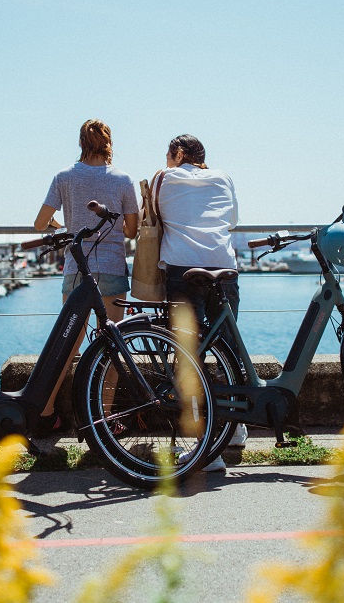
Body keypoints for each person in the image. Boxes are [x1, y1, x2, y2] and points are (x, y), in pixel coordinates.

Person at [32, 119, 138, 437]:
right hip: (112, 268)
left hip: (76, 269)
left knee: (67, 346)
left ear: (81, 142)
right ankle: (104, 418)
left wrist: (61, 226)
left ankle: (46, 412)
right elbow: (131, 230)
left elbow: (39, 223)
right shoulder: (123, 179)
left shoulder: (64, 177)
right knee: (112, 345)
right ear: (109, 143)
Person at [155, 133, 247, 469]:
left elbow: (153, 216)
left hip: (183, 268)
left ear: (177, 154)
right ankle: (235, 429)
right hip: (224, 267)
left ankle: (206, 449)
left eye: (167, 154)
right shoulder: (223, 177)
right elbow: (232, 221)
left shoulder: (163, 178)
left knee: (187, 356)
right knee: (229, 351)